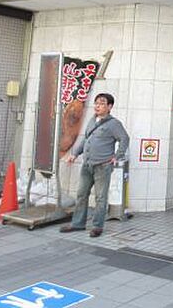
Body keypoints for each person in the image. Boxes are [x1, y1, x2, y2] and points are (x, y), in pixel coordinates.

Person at [59, 93, 129, 237]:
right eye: (96, 103)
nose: (97, 106)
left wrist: (117, 156)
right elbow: (86, 139)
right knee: (81, 194)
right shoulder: (92, 120)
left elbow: (124, 138)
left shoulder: (114, 124)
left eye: (102, 103)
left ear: (109, 106)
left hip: (102, 165)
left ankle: (97, 226)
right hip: (87, 164)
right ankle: (78, 224)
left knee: (100, 197)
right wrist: (75, 154)